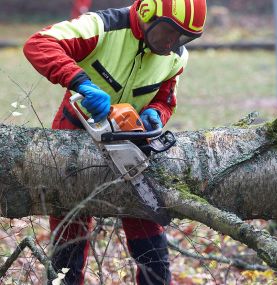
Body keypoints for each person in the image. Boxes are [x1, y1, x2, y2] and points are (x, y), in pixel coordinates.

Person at [23, 0, 207, 284]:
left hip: (132, 147)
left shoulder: (176, 56)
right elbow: (39, 44)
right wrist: (80, 82)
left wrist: (155, 114)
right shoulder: (102, 27)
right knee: (69, 243)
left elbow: (165, 99)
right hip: (75, 138)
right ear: (148, 14)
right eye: (169, 32)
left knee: (150, 240)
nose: (172, 43)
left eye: (182, 37)